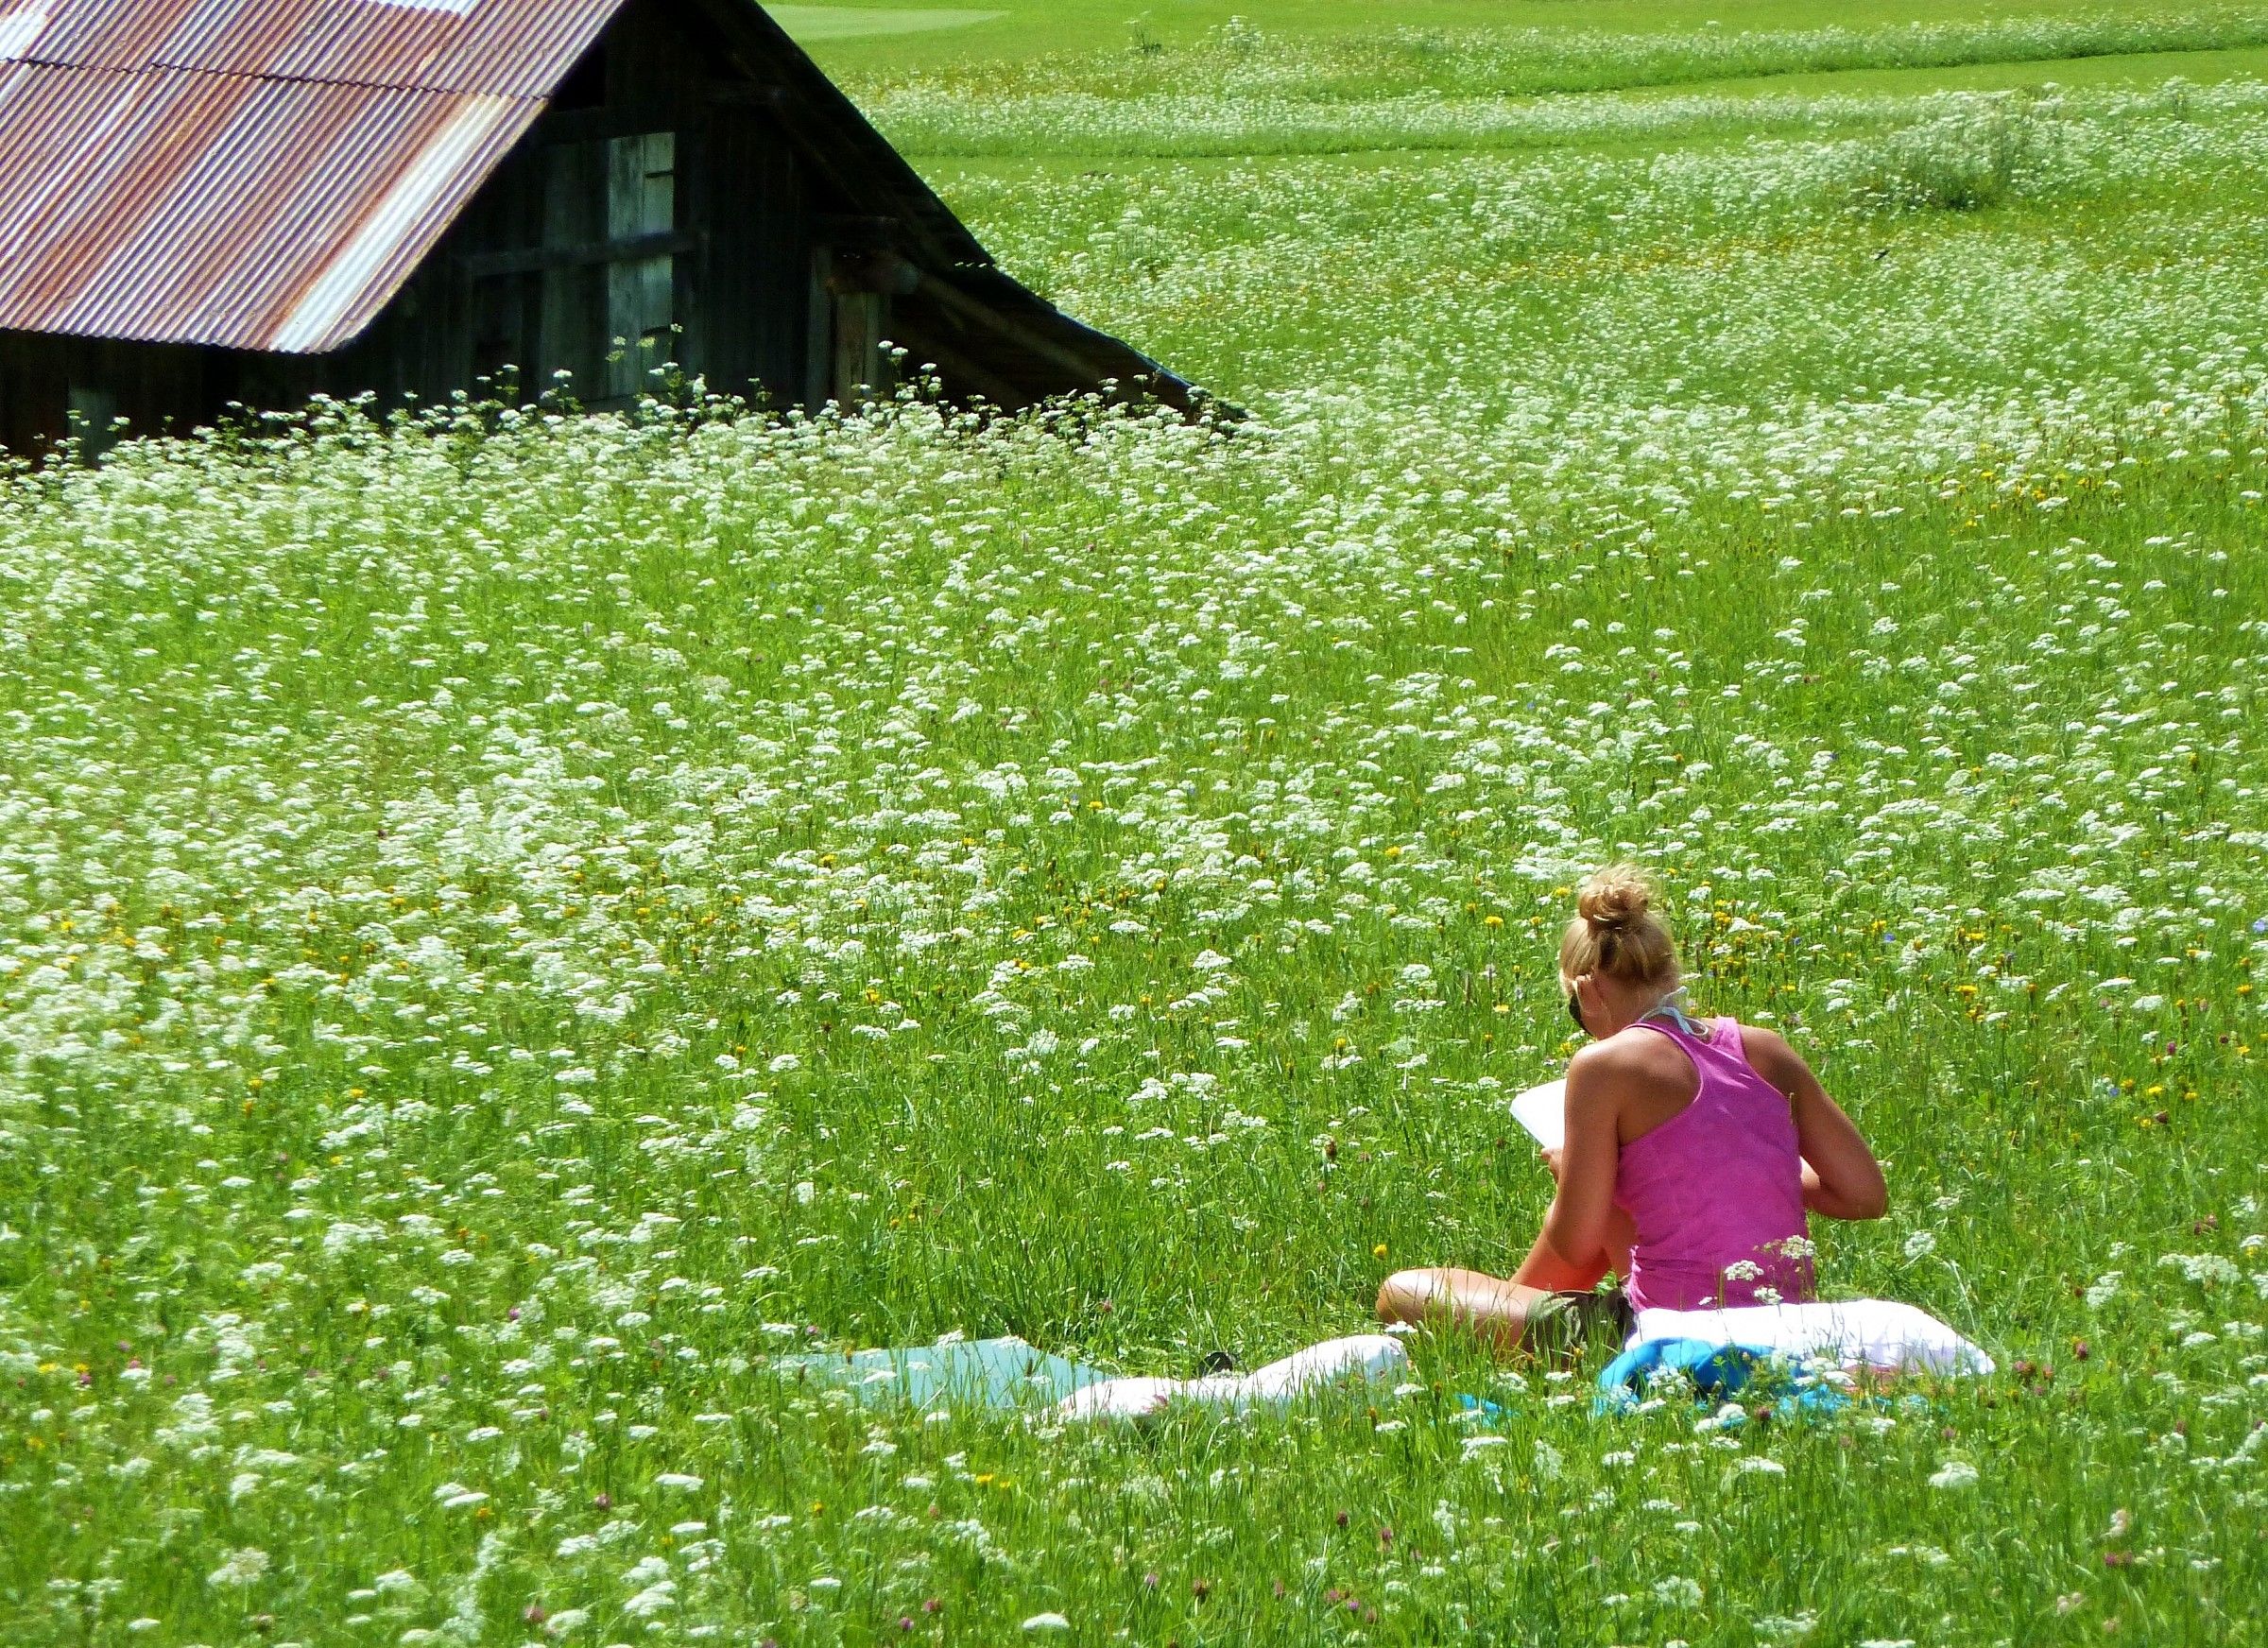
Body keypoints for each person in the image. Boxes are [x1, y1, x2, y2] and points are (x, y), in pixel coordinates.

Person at [1377, 864, 1888, 1350]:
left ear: (1588, 991)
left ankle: (1507, 1330)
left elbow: (1576, 1244)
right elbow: (1864, 1195)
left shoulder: (1603, 1067)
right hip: (1785, 1317)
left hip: (1670, 1330)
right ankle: (1515, 1315)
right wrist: (1732, 1167)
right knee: (1625, 1189)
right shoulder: (1765, 1048)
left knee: (1403, 1292)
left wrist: (1570, 1170)